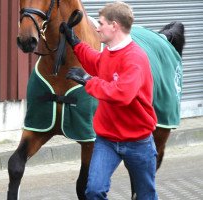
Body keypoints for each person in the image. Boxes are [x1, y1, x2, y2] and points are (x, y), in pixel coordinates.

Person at [61, 1, 158, 200]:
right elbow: (96, 62)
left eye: (101, 23)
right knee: (94, 191)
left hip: (137, 142)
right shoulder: (109, 53)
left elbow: (122, 94)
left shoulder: (135, 58)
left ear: (115, 26)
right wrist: (75, 42)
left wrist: (88, 81)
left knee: (146, 195)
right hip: (107, 141)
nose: (97, 27)